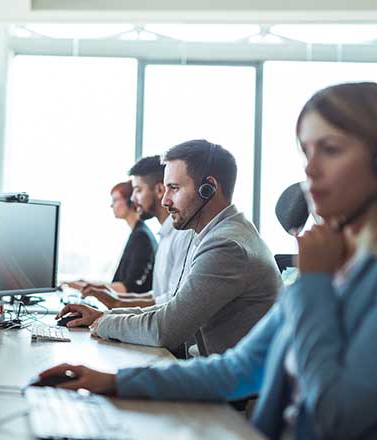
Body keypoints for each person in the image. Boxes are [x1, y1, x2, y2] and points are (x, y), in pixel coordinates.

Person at [38, 83, 377, 439]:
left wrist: (314, 284)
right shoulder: (336, 263)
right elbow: (238, 369)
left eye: (330, 150)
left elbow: (337, 416)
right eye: (306, 152)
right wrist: (112, 382)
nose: (310, 170)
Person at [57, 140, 281, 357]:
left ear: (208, 189)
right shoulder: (218, 233)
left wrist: (105, 322)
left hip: (231, 389)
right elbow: (171, 309)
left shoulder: (226, 245)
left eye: (173, 188)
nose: (164, 201)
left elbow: (165, 329)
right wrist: (107, 315)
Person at [80, 155, 193, 309]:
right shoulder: (165, 235)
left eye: (138, 190)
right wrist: (111, 296)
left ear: (160, 190)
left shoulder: (182, 235)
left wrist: (114, 305)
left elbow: (171, 302)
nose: (132, 198)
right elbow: (157, 296)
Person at [67, 181, 157, 294]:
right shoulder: (137, 232)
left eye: (115, 200)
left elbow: (130, 287)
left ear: (130, 201)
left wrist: (87, 287)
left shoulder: (141, 236)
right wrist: (87, 284)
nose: (111, 205)